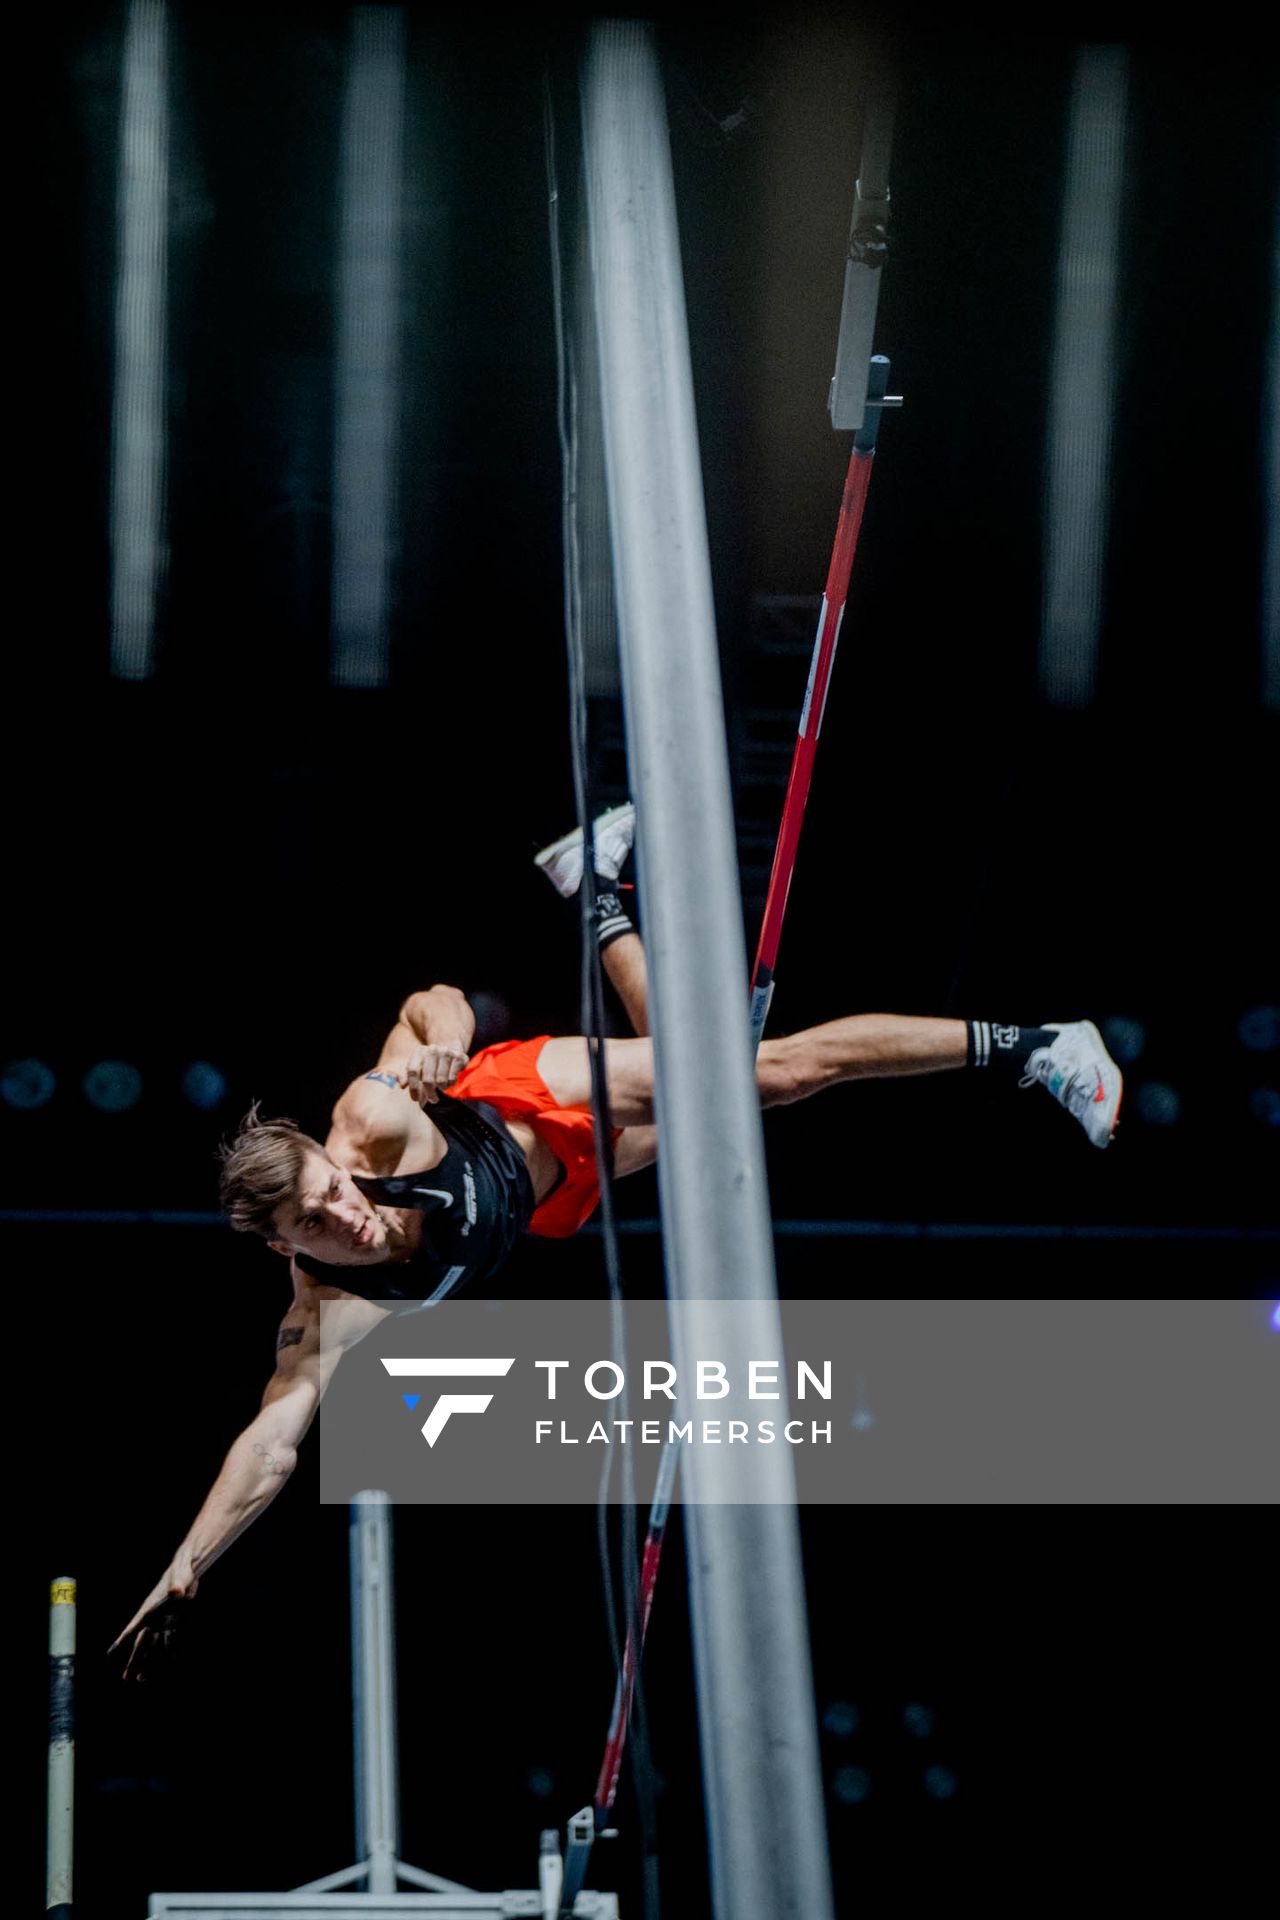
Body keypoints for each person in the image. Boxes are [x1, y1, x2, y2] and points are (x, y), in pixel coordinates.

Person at [110, 801, 1122, 1678]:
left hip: (525, 1091)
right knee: (710, 1074)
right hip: (549, 1200)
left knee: (764, 1076)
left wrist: (445, 1042)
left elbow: (429, 1001)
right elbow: (271, 1445)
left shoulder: (368, 1127)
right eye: (318, 1224)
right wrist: (189, 1561)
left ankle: (1035, 1046)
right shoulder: (323, 1315)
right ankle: (589, 882)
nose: (346, 1214)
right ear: (284, 1247)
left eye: (333, 1192)